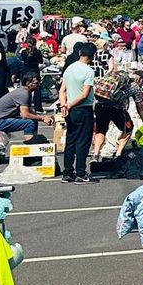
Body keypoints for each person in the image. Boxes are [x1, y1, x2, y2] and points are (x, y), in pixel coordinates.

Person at [89, 65, 143, 165]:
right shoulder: (134, 86)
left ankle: (95, 155)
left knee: (100, 131)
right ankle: (118, 154)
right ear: (140, 79)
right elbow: (139, 104)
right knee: (128, 128)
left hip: (100, 105)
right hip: (116, 109)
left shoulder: (110, 77)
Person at [59, 41, 97, 183]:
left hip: (70, 110)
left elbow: (62, 90)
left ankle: (67, 172)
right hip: (82, 108)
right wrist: (68, 105)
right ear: (92, 57)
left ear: (80, 53)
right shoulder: (89, 71)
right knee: (83, 141)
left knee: (71, 140)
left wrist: (64, 105)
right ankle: (80, 172)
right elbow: (84, 94)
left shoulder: (69, 68)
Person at [0, 74, 48, 140]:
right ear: (28, 83)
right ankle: (31, 142)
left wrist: (43, 118)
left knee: (34, 121)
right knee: (29, 123)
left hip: (0, 120)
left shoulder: (26, 92)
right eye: (36, 83)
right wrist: (43, 118)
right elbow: (25, 115)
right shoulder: (23, 94)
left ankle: (35, 140)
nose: (38, 85)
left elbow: (30, 112)